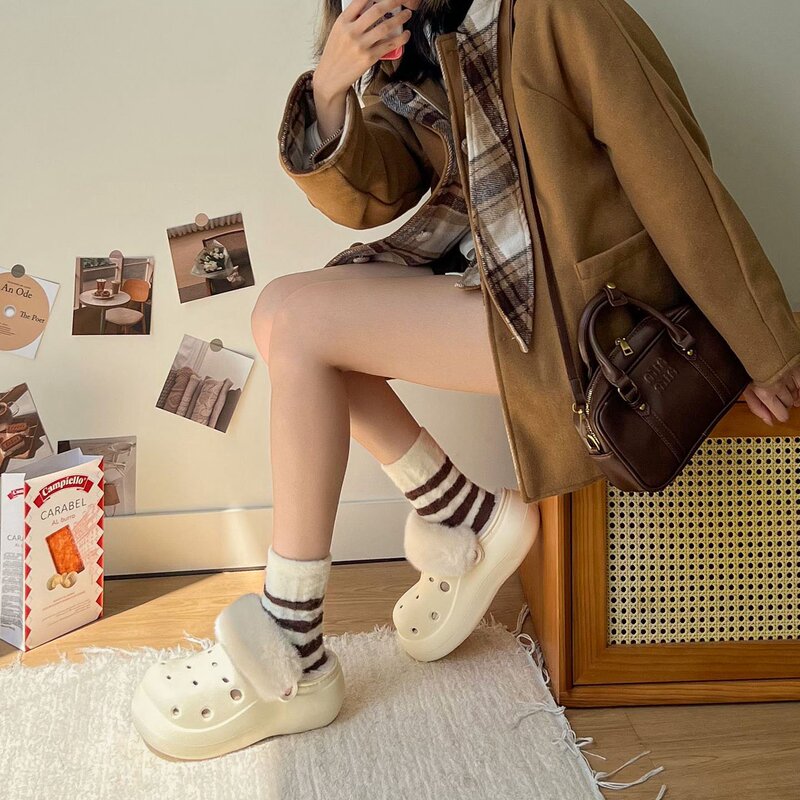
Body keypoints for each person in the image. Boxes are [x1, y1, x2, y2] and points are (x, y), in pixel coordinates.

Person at [131, 0, 800, 760]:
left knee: (299, 324)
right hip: (503, 294)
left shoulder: (559, 12)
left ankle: (296, 636)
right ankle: (462, 518)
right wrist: (329, 92)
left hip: (589, 321)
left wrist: (758, 345)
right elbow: (379, 194)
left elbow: (674, 172)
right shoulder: (428, 44)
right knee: (283, 319)